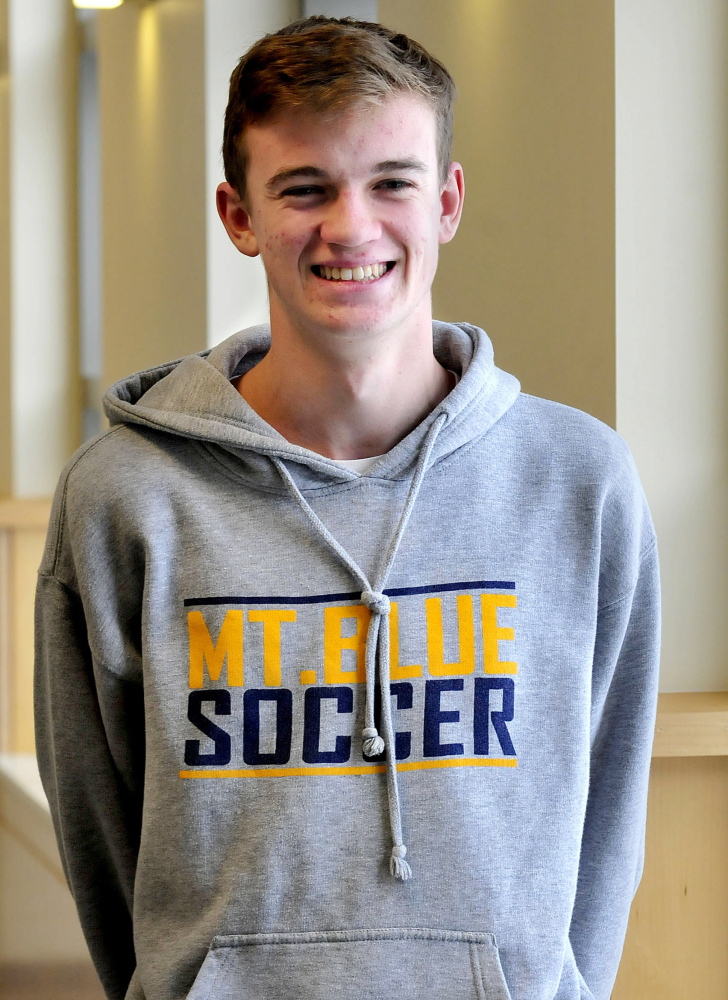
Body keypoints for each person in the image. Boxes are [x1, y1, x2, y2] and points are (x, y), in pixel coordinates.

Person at [34, 16, 659, 1000]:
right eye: (303, 189)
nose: (351, 227)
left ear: (446, 202)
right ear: (237, 216)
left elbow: (607, 809)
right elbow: (103, 833)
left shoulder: (576, 481)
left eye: (390, 183)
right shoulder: (125, 498)